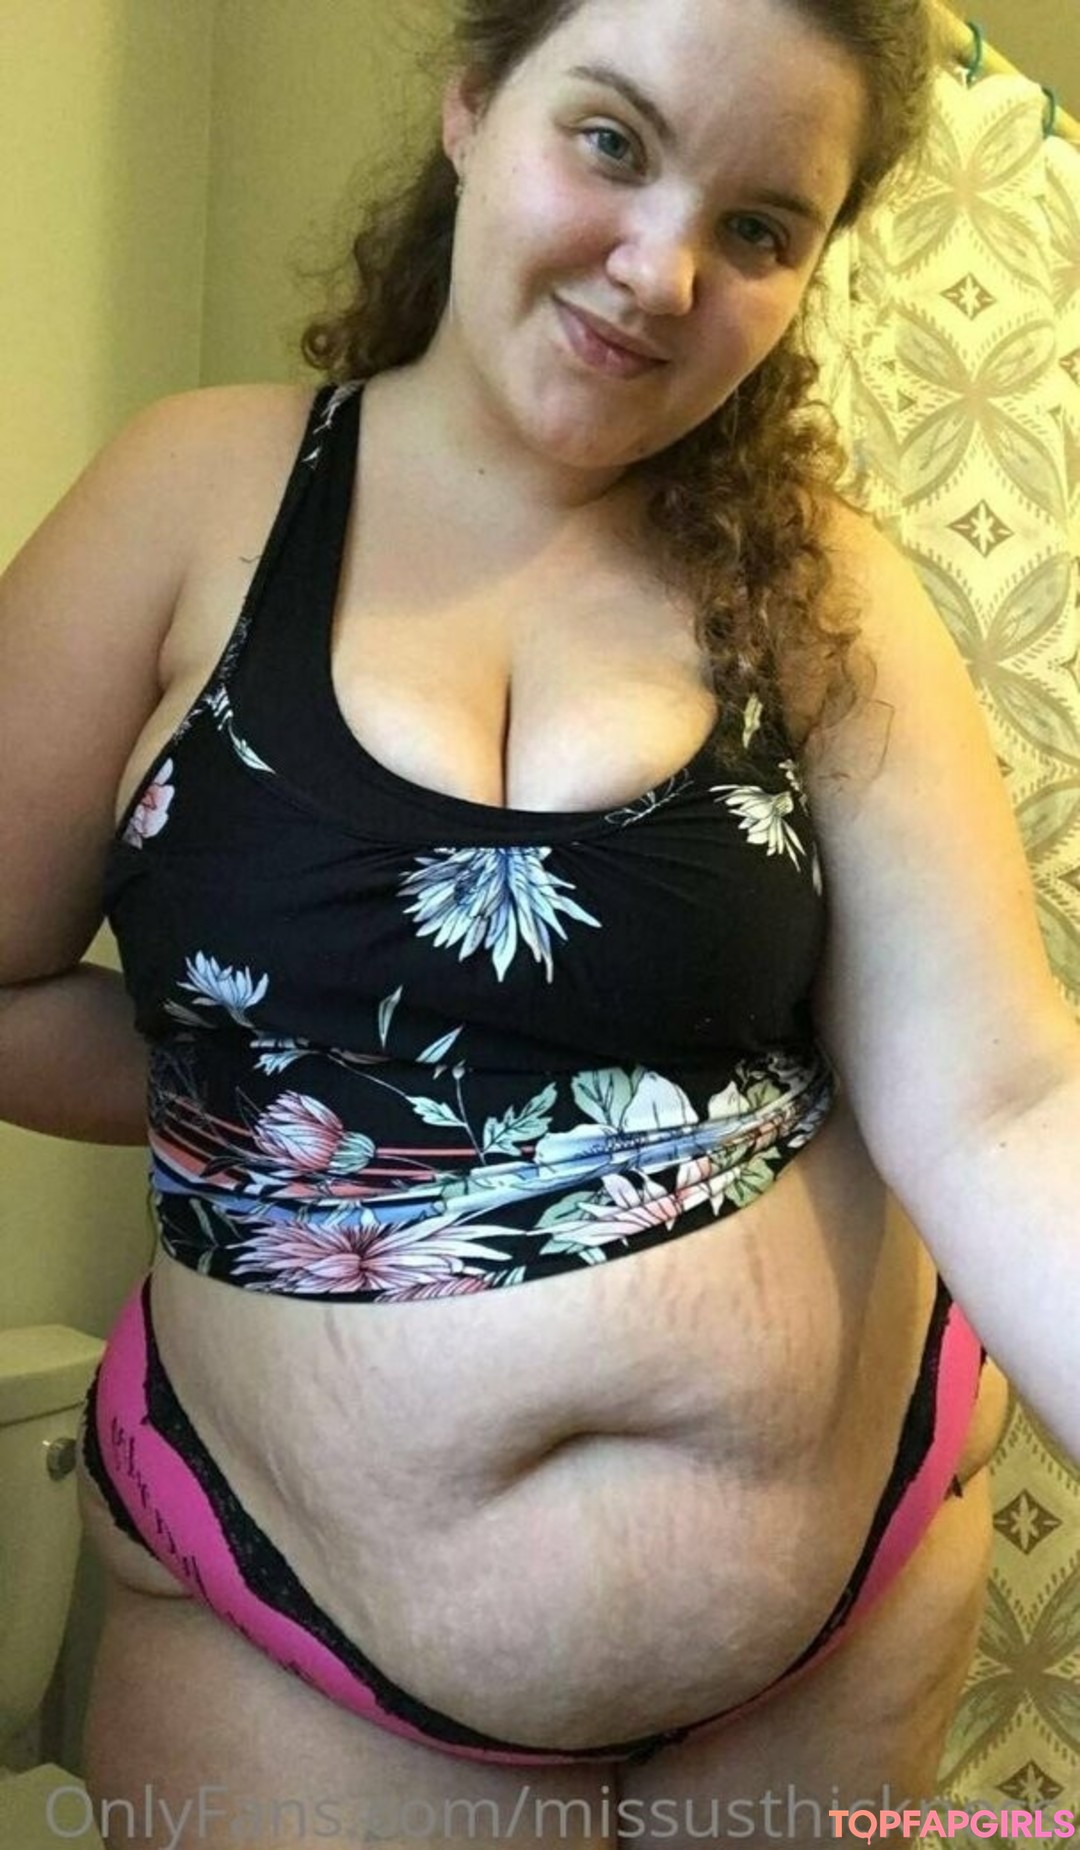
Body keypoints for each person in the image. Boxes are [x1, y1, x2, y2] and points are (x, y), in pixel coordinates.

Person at [1, 0, 1077, 1842]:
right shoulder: (192, 495)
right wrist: (291, 1107)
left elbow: (1001, 1101)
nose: (663, 270)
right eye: (611, 141)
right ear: (475, 104)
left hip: (834, 1629)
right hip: (294, 1629)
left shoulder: (818, 585)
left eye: (760, 226)